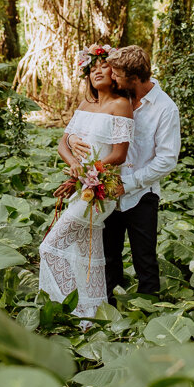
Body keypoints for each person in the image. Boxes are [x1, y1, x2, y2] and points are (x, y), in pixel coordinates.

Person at [68, 45, 180, 302]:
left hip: (141, 194)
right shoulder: (121, 97)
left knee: (144, 258)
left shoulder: (165, 109)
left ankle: (148, 310)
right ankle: (110, 307)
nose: (112, 77)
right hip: (104, 190)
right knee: (108, 254)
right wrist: (73, 138)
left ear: (134, 77)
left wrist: (128, 183)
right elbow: (92, 122)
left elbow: (167, 159)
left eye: (117, 74)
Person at [38, 46, 133, 320]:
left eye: (104, 67)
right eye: (93, 69)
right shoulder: (85, 105)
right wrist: (74, 169)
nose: (98, 72)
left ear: (114, 73)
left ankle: (70, 306)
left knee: (50, 248)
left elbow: (119, 154)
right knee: (86, 253)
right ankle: (90, 312)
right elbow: (63, 144)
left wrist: (90, 173)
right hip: (82, 185)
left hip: (101, 189)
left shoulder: (120, 105)